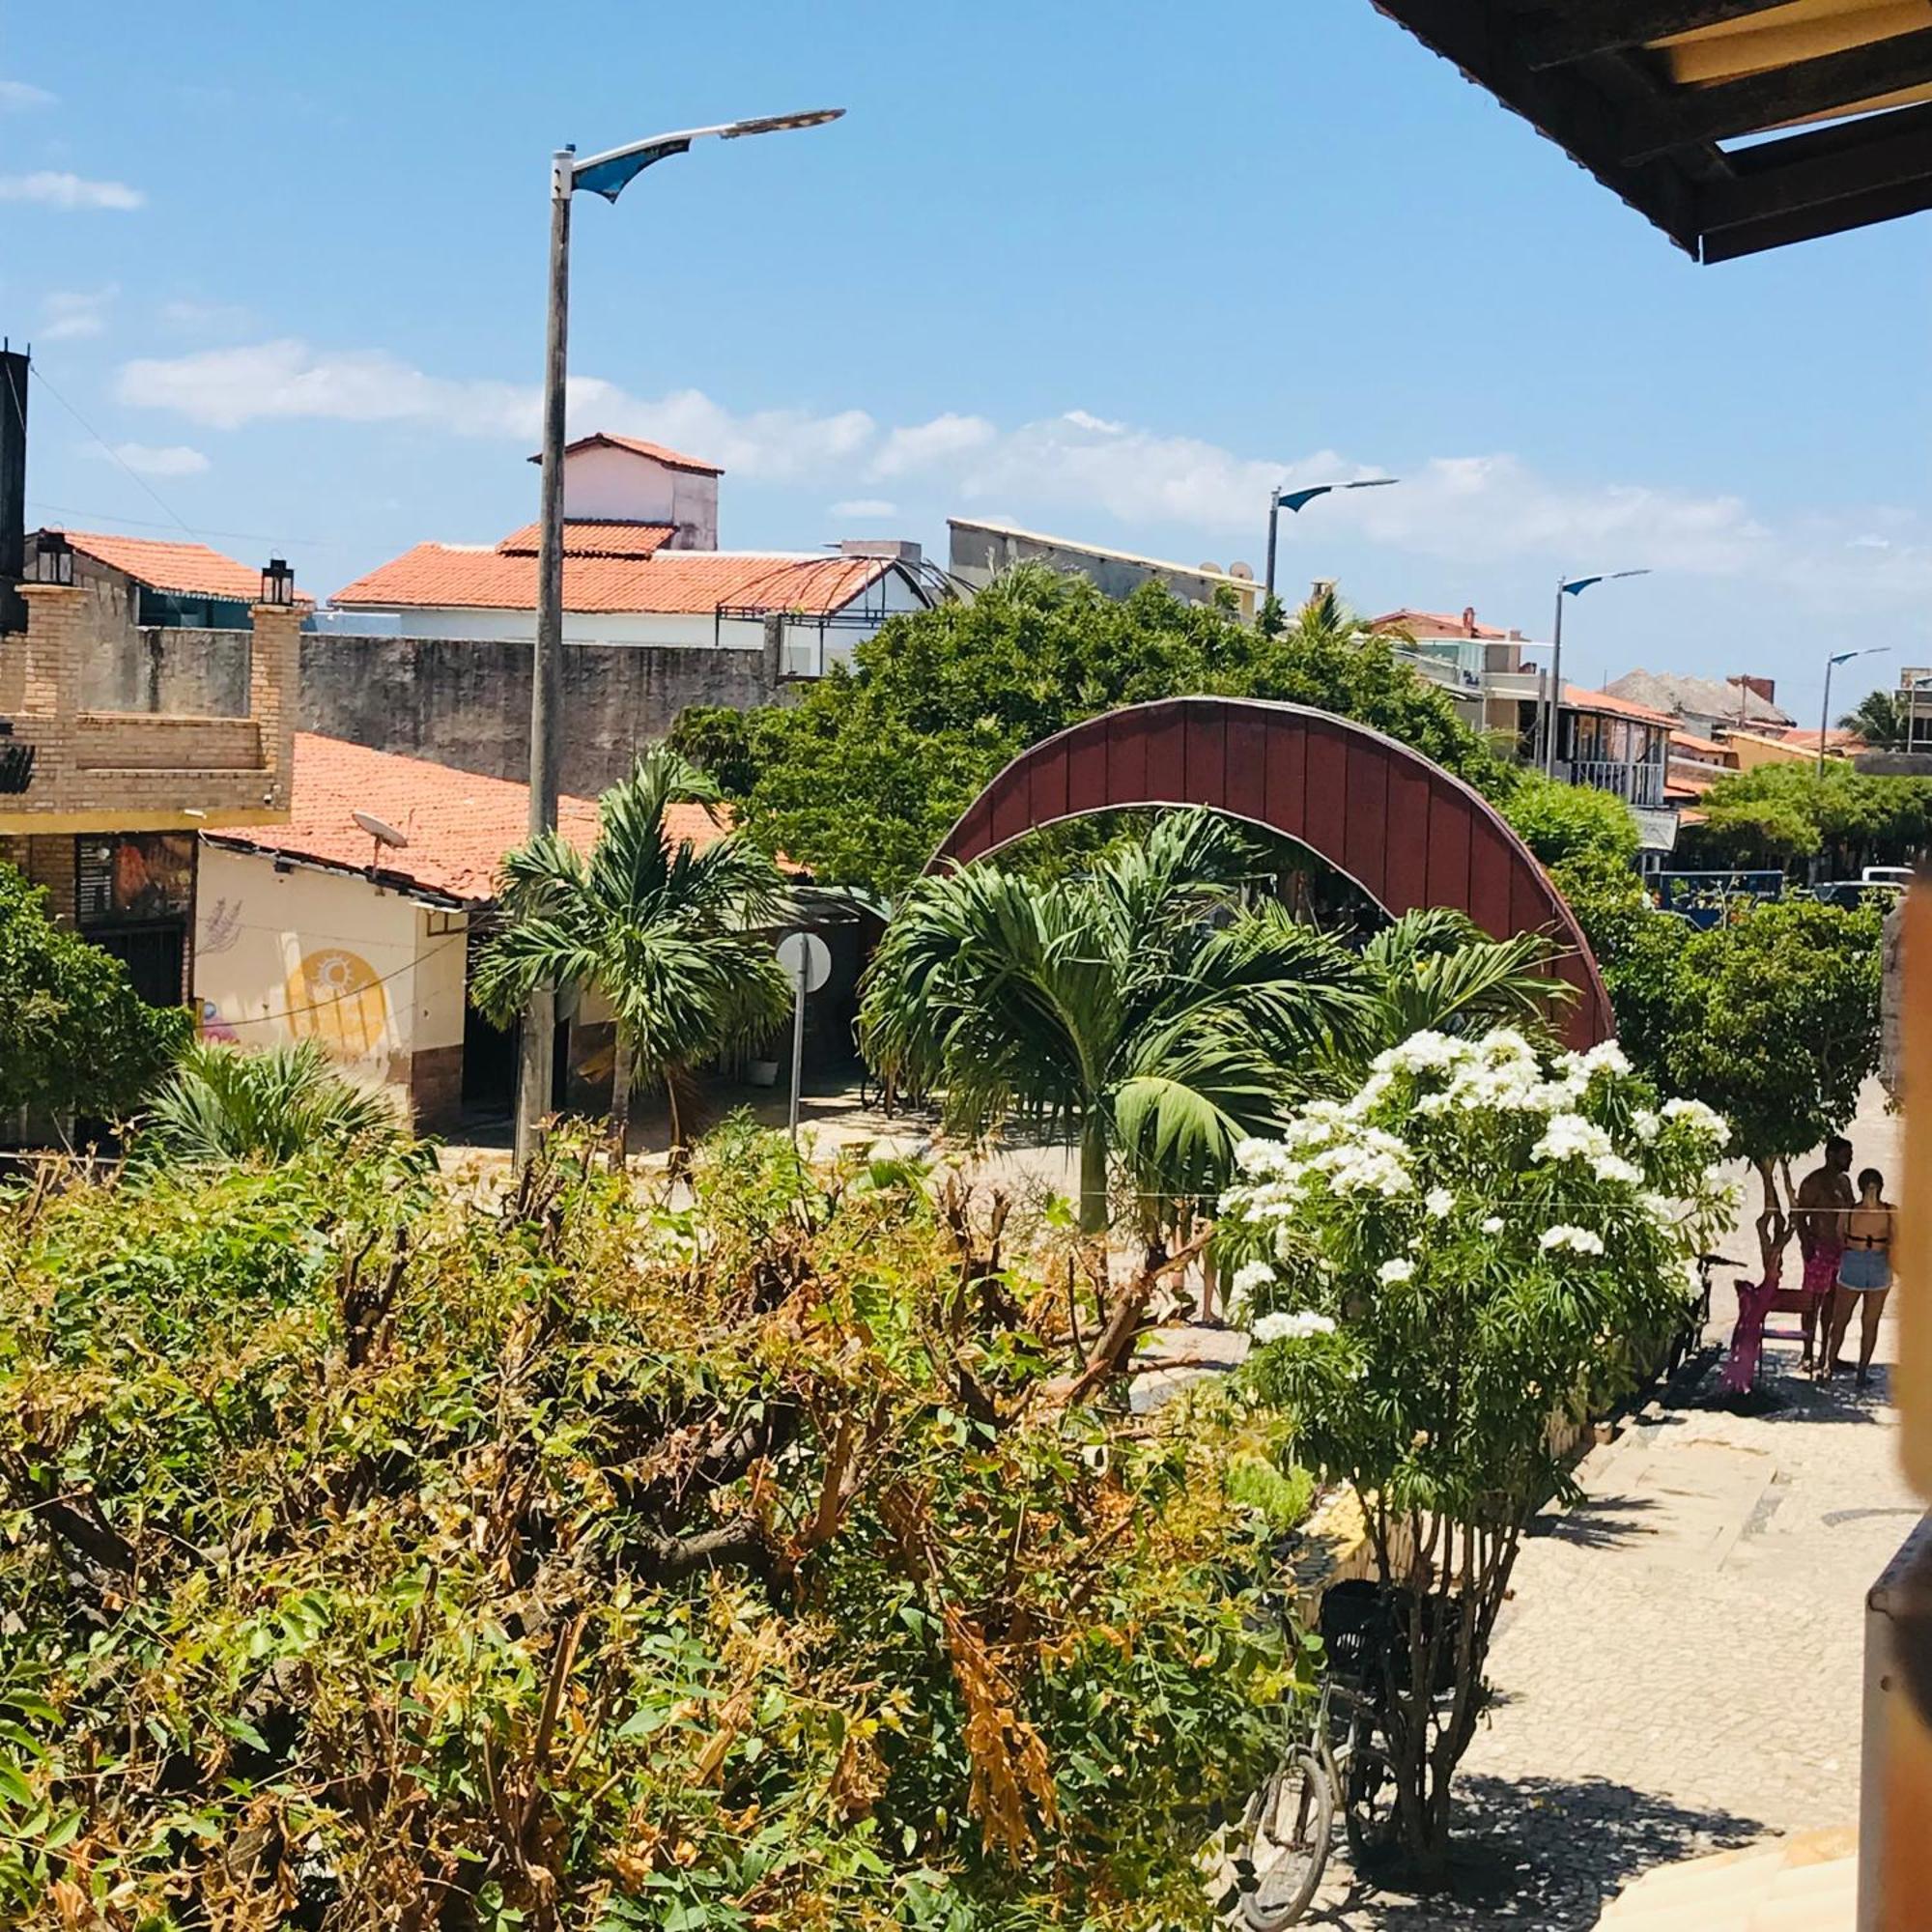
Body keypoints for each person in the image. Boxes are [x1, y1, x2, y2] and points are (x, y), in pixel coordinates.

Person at [1824, 1169, 1893, 1389]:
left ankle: (1829, 1366)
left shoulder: (1850, 1209)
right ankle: (1860, 1372)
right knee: (1868, 1322)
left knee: (1842, 1318)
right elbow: (1898, 1239)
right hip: (1878, 1263)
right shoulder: (1890, 1211)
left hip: (1855, 1259)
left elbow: (1839, 1234)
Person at [1794, 1136, 1856, 1373]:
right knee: (1812, 1303)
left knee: (1833, 1303)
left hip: (1841, 1250)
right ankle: (1807, 1353)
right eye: (1845, 1155)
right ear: (1831, 1155)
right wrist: (1805, 1244)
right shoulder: (1813, 1182)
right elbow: (1800, 1215)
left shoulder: (1845, 1182)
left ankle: (1827, 1355)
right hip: (1819, 1249)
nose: (1850, 1160)